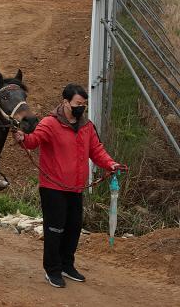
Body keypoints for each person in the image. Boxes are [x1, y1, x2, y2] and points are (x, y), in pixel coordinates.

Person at [14, 84, 125, 289]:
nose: (81, 107)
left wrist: (111, 164)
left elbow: (97, 150)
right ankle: (52, 270)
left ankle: (67, 265)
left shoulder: (86, 126)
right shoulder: (50, 123)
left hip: (76, 188)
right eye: (77, 104)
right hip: (53, 188)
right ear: (65, 102)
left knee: (73, 229)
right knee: (55, 229)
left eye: (84, 104)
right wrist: (23, 139)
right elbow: (34, 140)